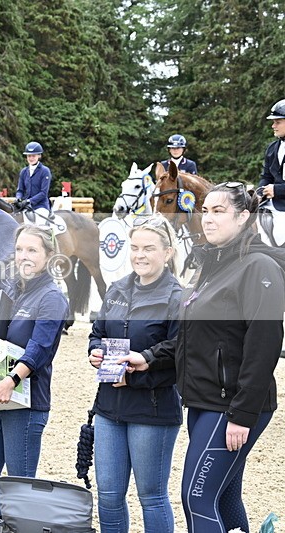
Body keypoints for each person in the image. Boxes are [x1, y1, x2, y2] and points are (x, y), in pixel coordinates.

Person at [121, 182, 285, 533]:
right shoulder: (212, 264)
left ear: (243, 216)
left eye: (218, 211)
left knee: (196, 499)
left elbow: (265, 343)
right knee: (224, 497)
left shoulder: (258, 266)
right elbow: (192, 336)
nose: (207, 219)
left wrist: (242, 413)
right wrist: (150, 358)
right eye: (204, 211)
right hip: (202, 400)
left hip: (230, 406)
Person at [0, 225, 70, 533]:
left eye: (32, 250)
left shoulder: (52, 298)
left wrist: (11, 379)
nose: (24, 256)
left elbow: (39, 349)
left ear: (49, 256)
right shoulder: (12, 291)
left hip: (26, 403)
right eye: (19, 250)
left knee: (20, 488)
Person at [87, 214, 182, 533]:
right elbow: (97, 331)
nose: (139, 255)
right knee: (109, 496)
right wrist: (95, 350)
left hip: (151, 409)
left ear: (167, 252)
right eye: (135, 247)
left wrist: (141, 365)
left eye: (149, 248)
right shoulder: (115, 289)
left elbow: (180, 351)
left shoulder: (177, 297)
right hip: (108, 407)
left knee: (151, 496)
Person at [14, 142, 53, 222]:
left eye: (33, 156)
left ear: (39, 156)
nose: (31, 158)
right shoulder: (24, 171)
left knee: (39, 225)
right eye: (29, 156)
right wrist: (18, 199)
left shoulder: (45, 171)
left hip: (41, 206)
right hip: (26, 207)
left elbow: (43, 193)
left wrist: (28, 201)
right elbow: (20, 190)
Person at [258, 98, 285, 211]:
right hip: (271, 205)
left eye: (277, 122)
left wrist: (277, 190)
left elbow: (275, 188)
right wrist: (259, 193)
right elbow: (266, 177)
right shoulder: (272, 148)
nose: (273, 126)